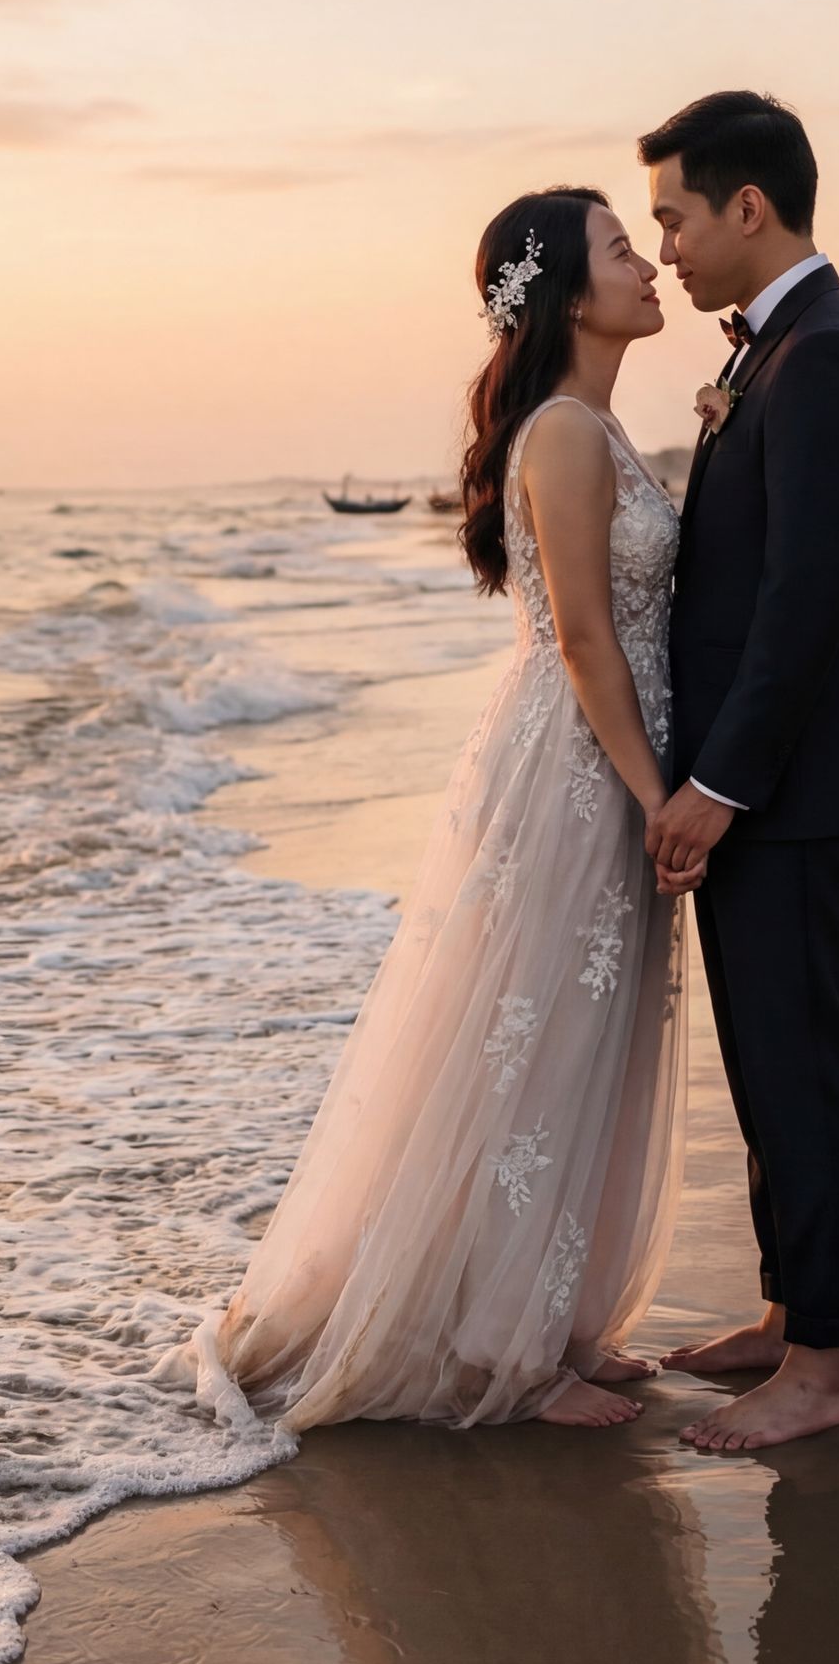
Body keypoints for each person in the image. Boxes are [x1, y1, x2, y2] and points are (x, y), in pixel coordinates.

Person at [178, 186, 689, 1430]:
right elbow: (578, 635)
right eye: (625, 249)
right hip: (575, 766)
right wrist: (658, 795)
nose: (648, 265)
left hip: (604, 758)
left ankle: (552, 1315)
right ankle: (492, 1350)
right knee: (531, 1040)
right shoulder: (563, 434)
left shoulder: (599, 427)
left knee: (588, 1034)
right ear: (571, 294)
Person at [638, 92, 839, 1452]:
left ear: (751, 207)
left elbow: (804, 603)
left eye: (676, 218)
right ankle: (788, 1310)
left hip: (797, 793)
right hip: (774, 792)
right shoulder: (777, 354)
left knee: (804, 1065)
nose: (668, 247)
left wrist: (721, 782)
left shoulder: (832, 359)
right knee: (766, 1064)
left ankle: (828, 1365)